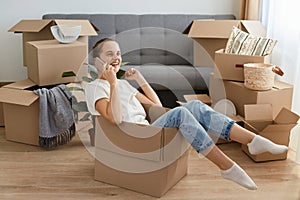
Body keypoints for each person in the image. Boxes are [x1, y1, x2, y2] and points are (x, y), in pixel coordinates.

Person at [85, 38, 288, 190]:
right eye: (109, 54)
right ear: (97, 62)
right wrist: (111, 83)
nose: (116, 58)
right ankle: (227, 165)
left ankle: (252, 141)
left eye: (118, 53)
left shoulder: (122, 85)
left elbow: (156, 107)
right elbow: (116, 119)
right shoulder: (95, 87)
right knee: (182, 112)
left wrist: (140, 79)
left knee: (195, 107)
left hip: (147, 132)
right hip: (131, 138)